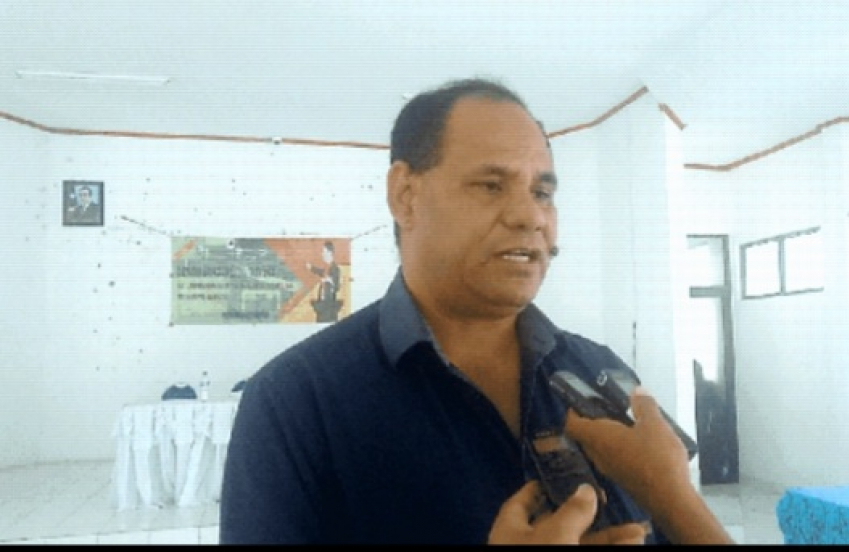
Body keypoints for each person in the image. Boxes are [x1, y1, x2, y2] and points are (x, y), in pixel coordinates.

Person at [219, 78, 733, 545]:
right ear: (405, 196)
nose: (530, 216)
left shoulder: (599, 371)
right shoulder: (294, 404)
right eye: (491, 186)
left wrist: (674, 498)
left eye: (542, 192)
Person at [305, 240, 343, 322]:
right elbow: (321, 272)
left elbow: (337, 287)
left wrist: (330, 280)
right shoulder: (327, 267)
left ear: (329, 253)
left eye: (324, 251)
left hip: (328, 310)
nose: (322, 254)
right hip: (323, 308)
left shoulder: (335, 269)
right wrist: (311, 268)